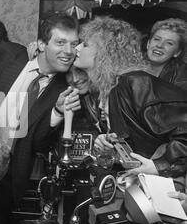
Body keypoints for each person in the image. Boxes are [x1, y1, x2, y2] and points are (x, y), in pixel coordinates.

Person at [0, 13, 81, 224]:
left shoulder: (64, 89)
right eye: (60, 42)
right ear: (40, 44)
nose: (68, 50)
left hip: (8, 176)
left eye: (73, 44)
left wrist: (59, 111)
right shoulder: (8, 57)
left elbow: (38, 142)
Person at [74, 16, 187, 183]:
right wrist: (108, 141)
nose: (76, 48)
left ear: (105, 51)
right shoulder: (109, 89)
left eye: (85, 44)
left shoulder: (135, 82)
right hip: (135, 184)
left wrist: (159, 165)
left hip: (161, 188)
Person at [145, 18, 187, 90]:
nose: (160, 45)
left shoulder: (182, 79)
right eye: (157, 39)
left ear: (177, 52)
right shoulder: (129, 64)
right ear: (148, 43)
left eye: (169, 43)